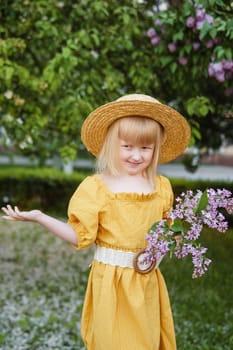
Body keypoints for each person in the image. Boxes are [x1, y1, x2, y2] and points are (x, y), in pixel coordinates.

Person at [1, 94, 191, 350]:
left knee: (145, 342)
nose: (136, 156)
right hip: (111, 285)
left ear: (155, 148)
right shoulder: (97, 188)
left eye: (145, 148)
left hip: (146, 284)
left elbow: (169, 232)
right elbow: (79, 236)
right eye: (127, 146)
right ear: (113, 144)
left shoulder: (161, 187)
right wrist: (40, 217)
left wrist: (178, 237)